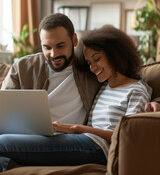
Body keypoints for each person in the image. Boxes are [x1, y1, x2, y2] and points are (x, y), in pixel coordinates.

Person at [0, 24, 152, 171]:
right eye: (89, 62)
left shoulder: (137, 89)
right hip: (85, 142)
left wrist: (75, 128)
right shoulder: (104, 86)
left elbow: (129, 136)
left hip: (98, 148)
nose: (92, 68)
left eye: (97, 59)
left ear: (115, 55)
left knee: (3, 142)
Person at [1, 13, 100, 125]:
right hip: (29, 135)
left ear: (74, 40)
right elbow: (3, 108)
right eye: (47, 47)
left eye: (60, 46)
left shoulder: (91, 68)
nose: (53, 54)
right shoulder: (22, 67)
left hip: (71, 138)